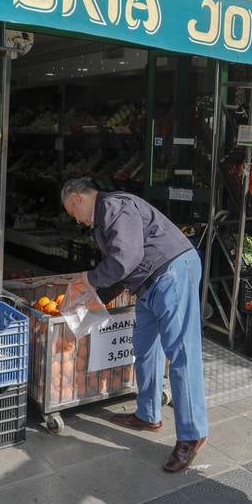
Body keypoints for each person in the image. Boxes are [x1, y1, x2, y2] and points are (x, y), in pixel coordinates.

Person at [61, 177, 208, 472]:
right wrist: (93, 298)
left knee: (181, 354)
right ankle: (148, 414)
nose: (75, 220)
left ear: (77, 197)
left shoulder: (115, 206)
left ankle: (192, 434)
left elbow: (126, 258)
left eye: (71, 212)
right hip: (148, 284)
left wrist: (89, 279)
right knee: (144, 349)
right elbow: (122, 268)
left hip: (172, 272)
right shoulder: (104, 220)